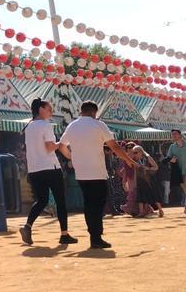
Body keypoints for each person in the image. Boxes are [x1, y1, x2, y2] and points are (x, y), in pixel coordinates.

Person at [57, 102, 134, 250]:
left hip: (81, 172)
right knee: (98, 205)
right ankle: (96, 237)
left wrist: (71, 158)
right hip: (96, 171)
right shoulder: (98, 125)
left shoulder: (72, 125)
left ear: (82, 111)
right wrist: (128, 160)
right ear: (94, 112)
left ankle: (94, 236)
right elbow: (114, 146)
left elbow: (61, 146)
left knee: (88, 204)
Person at [19, 99, 77, 245]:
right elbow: (50, 147)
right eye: (49, 109)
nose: (51, 111)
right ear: (41, 109)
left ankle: (28, 226)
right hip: (50, 168)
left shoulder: (29, 127)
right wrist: (63, 142)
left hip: (34, 169)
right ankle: (64, 234)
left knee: (41, 200)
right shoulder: (46, 125)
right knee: (60, 201)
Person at [130, 145, 163, 218]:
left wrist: (147, 168)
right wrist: (135, 181)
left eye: (136, 152)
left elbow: (156, 167)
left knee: (154, 194)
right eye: (133, 152)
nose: (134, 154)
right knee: (140, 196)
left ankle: (160, 210)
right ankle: (141, 212)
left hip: (149, 179)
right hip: (140, 179)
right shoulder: (136, 160)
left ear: (141, 152)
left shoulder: (147, 157)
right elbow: (135, 171)